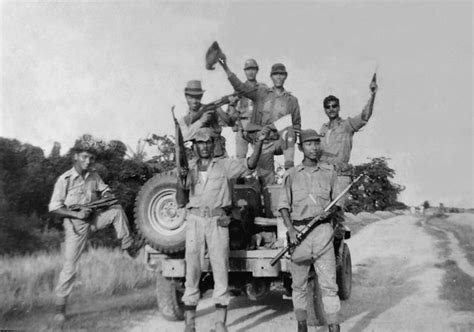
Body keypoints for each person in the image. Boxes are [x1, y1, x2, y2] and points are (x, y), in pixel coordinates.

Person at [178, 126, 271, 332]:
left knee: (220, 269)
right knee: (192, 269)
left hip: (218, 221)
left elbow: (250, 164)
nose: (204, 146)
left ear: (214, 144)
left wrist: (260, 142)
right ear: (194, 146)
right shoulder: (189, 168)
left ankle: (220, 324)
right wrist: (181, 179)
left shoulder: (224, 166)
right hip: (194, 220)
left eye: (208, 142)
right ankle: (189, 323)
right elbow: (180, 199)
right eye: (199, 142)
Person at [49, 137, 137, 324]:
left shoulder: (94, 176)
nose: (88, 161)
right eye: (85, 157)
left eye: (91, 158)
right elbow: (54, 208)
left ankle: (128, 245)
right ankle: (60, 309)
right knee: (70, 267)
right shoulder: (64, 179)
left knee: (117, 211)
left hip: (93, 219)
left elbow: (106, 191)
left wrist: (105, 195)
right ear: (76, 157)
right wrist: (77, 214)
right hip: (75, 227)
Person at [278, 129, 344, 332]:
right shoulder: (291, 175)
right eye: (309, 144)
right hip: (299, 234)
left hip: (323, 233)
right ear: (300, 148)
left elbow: (338, 202)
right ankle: (301, 326)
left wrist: (330, 212)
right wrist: (290, 230)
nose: (314, 147)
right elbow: (283, 206)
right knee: (298, 287)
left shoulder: (329, 173)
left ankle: (333, 327)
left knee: (329, 287)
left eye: (316, 143)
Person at [218, 56, 301, 185]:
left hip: (280, 140)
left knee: (290, 129)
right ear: (271, 77)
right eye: (275, 74)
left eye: (281, 74)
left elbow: (296, 125)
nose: (278, 77)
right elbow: (240, 88)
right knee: (266, 180)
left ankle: (289, 169)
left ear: (285, 76)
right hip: (263, 140)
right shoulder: (262, 93)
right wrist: (225, 67)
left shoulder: (292, 100)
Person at [319, 78, 378, 207]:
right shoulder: (323, 129)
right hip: (323, 175)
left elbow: (364, 117)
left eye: (334, 106)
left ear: (339, 107)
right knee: (320, 213)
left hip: (340, 175)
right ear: (324, 110)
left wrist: (372, 95)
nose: (331, 109)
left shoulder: (347, 125)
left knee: (337, 212)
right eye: (328, 107)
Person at [179, 80, 233, 157]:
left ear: (201, 97)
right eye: (191, 98)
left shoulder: (210, 110)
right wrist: (200, 122)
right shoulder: (185, 120)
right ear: (186, 97)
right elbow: (184, 137)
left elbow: (229, 123)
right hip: (199, 157)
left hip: (218, 154)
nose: (194, 101)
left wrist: (222, 107)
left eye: (197, 98)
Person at [228, 58, 267, 159]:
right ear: (245, 71)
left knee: (261, 157)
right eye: (248, 69)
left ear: (257, 70)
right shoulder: (240, 88)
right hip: (243, 125)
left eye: (253, 69)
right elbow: (231, 109)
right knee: (240, 159)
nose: (250, 72)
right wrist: (234, 122)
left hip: (257, 126)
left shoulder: (263, 87)